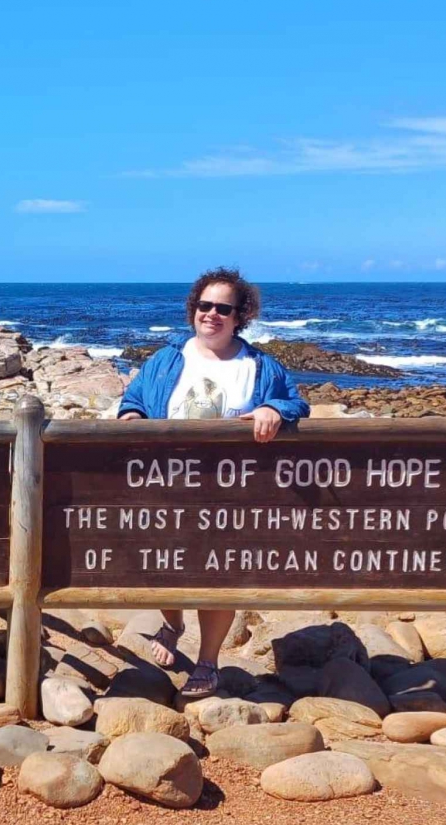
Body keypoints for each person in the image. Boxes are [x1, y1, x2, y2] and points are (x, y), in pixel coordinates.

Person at [117, 267, 310, 698]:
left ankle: (207, 662)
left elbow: (296, 401)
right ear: (193, 309)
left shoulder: (259, 366)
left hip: (230, 493)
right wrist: (132, 422)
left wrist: (275, 409)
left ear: (241, 315)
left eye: (224, 308)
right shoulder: (167, 359)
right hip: (165, 484)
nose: (212, 315)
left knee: (219, 574)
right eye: (204, 306)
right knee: (162, 567)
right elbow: (133, 402)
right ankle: (173, 623)